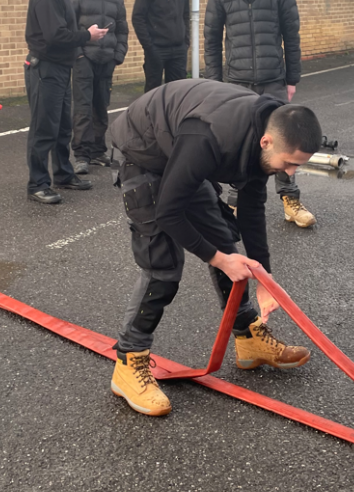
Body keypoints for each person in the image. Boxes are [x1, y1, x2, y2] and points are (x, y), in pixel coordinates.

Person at [106, 79, 322, 416]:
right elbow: (169, 212)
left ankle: (248, 338)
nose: (291, 173)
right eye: (289, 163)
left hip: (180, 150)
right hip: (146, 152)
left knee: (227, 244)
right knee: (162, 269)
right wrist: (219, 260)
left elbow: (251, 208)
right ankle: (129, 363)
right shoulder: (208, 136)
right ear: (267, 142)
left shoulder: (265, 136)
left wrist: (264, 277)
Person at [204, 0, 315, 229]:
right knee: (241, 144)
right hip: (236, 82)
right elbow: (211, 40)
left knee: (284, 140)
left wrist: (292, 79)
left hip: (273, 80)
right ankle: (237, 204)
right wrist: (214, 84)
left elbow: (291, 36)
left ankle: (290, 201)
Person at [24, 0, 110, 204]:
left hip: (60, 69)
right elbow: (54, 36)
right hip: (45, 70)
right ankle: (37, 184)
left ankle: (63, 174)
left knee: (62, 126)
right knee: (44, 128)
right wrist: (88, 35)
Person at [67, 0, 128, 174]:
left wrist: (117, 55)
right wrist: (79, 55)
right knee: (83, 108)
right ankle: (81, 155)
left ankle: (97, 151)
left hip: (106, 61)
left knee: (101, 106)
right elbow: (69, 28)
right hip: (83, 59)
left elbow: (122, 30)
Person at [132, 0, 194, 92]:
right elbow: (138, 17)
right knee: (153, 93)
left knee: (177, 93)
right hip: (156, 49)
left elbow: (186, 15)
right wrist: (149, 47)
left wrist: (186, 41)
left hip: (179, 49)